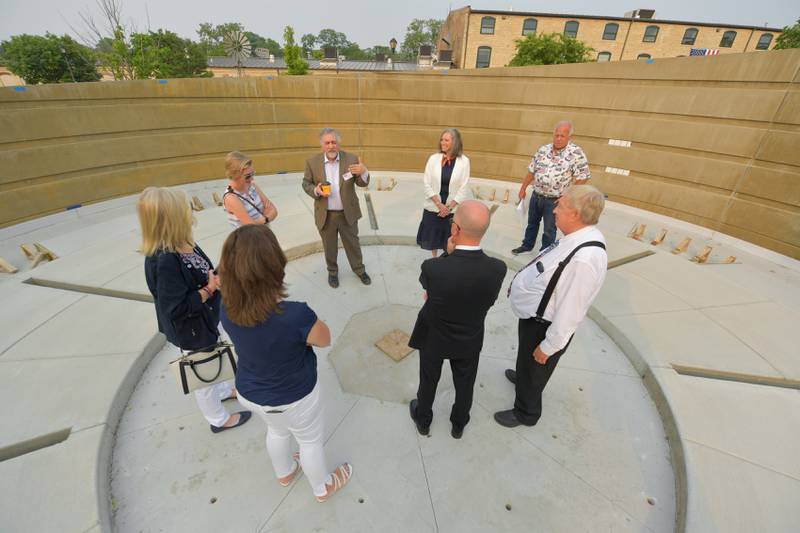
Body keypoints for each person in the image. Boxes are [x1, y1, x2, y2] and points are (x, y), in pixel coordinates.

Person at [218, 224, 352, 502]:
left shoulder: (226, 307)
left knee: (276, 431)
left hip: (251, 393)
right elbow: (324, 339)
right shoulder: (294, 315)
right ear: (274, 265)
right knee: (309, 441)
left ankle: (285, 473)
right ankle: (322, 487)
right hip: (296, 396)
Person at [137, 186, 251, 433]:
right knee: (204, 374)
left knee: (215, 358)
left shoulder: (183, 242)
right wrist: (209, 289)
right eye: (183, 208)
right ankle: (217, 419)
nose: (190, 211)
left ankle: (221, 391)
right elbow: (175, 309)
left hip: (206, 318)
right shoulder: (165, 260)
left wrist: (215, 277)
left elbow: (200, 272)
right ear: (171, 218)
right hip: (192, 329)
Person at [495, 185, 608, 428]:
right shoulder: (575, 238)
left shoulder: (585, 259)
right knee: (527, 362)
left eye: (561, 205)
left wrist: (549, 346)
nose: (554, 210)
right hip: (535, 318)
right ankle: (523, 376)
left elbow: (571, 311)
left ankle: (526, 412)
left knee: (536, 369)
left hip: (545, 327)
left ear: (576, 215)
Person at [408, 200, 507, 439]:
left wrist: (446, 254)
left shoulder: (433, 267)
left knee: (428, 379)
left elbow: (428, 287)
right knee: (465, 383)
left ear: (455, 229)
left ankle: (423, 420)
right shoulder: (498, 268)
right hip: (469, 339)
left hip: (434, 337)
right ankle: (458, 424)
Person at [301, 128, 371, 288]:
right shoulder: (312, 162)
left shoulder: (351, 159)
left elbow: (362, 183)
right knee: (329, 247)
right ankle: (332, 272)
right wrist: (315, 190)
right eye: (327, 143)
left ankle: (359, 270)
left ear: (338, 143)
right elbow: (306, 183)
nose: (331, 146)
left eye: (334, 142)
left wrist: (364, 172)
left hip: (348, 214)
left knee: (353, 244)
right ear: (322, 145)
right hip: (326, 215)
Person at [512, 121, 591, 255]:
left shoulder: (575, 153)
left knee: (549, 229)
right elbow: (532, 170)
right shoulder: (543, 149)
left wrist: (567, 196)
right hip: (537, 195)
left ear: (569, 137)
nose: (558, 138)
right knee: (532, 223)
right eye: (556, 135)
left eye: (562, 136)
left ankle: (545, 253)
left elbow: (584, 175)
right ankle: (527, 245)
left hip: (554, 200)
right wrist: (523, 188)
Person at [416, 128, 472, 257]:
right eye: (442, 139)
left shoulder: (464, 162)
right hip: (433, 208)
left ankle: (447, 263)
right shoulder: (433, 159)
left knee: (450, 239)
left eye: (446, 140)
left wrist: (448, 207)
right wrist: (439, 205)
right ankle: (434, 261)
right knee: (432, 239)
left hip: (452, 210)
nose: (442, 142)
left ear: (455, 142)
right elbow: (426, 183)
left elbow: (463, 187)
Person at [223, 151, 278, 228]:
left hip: (264, 235)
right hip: (248, 239)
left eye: (253, 174)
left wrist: (261, 220)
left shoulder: (252, 186)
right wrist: (266, 218)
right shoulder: (231, 197)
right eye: (247, 176)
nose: (252, 179)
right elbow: (250, 226)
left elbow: (274, 211)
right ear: (235, 175)